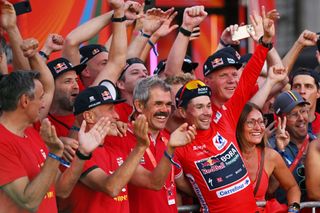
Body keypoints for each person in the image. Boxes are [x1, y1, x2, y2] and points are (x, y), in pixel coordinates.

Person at [0, 71, 110, 212]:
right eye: (41, 98)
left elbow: (62, 189)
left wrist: (82, 153)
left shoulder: (32, 134)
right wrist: (54, 153)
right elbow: (28, 201)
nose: (44, 104)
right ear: (25, 101)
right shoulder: (2, 141)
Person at [174, 79, 257, 212]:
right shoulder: (177, 146)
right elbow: (179, 182)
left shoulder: (224, 121)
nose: (207, 112)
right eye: (199, 107)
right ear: (183, 112)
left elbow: (248, 79)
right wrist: (204, 190)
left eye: (208, 105)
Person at [116, 76, 196, 213]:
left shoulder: (167, 138)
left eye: (168, 104)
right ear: (139, 105)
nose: (165, 110)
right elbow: (154, 183)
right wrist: (170, 148)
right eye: (158, 103)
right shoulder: (121, 138)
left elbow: (181, 182)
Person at [66, 84, 150, 213]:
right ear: (89, 116)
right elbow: (112, 188)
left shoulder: (114, 149)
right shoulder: (75, 152)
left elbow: (154, 182)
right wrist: (140, 147)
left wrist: (170, 149)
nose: (116, 115)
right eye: (110, 109)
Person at [236, 102, 300, 211]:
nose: (258, 127)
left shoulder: (270, 156)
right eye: (251, 122)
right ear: (238, 125)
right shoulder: (225, 155)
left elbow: (293, 188)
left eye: (261, 122)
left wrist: (294, 210)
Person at [269, 90, 314, 204]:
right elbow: (270, 189)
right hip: (287, 209)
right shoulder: (270, 146)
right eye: (294, 114)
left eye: (303, 111)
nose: (301, 118)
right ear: (280, 120)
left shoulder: (316, 143)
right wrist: (281, 151)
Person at [46, 57, 85, 137]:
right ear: (50, 86)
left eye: (76, 80)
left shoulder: (87, 115)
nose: (76, 86)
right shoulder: (40, 121)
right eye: (67, 81)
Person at [115, 57, 148, 122]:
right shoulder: (114, 111)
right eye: (135, 73)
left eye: (146, 73)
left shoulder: (153, 109)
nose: (143, 75)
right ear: (121, 84)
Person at [290, 68, 320, 137]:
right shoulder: (278, 120)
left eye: (308, 86)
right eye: (296, 86)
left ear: (318, 92)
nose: (302, 91)